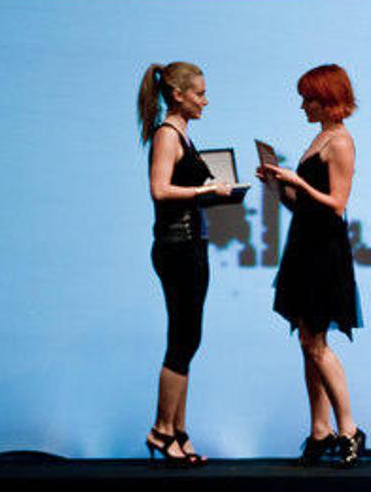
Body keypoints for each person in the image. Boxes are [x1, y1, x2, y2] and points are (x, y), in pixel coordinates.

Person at [258, 64, 365, 467]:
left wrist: (298, 182)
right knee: (307, 343)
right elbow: (302, 206)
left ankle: (349, 430)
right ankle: (320, 431)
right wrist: (278, 186)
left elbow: (337, 204)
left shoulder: (341, 141)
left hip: (324, 250)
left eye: (309, 99)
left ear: (328, 100)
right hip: (304, 244)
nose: (303, 106)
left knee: (317, 344)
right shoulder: (320, 137)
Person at [136, 61, 231, 467]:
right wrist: (203, 192)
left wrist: (216, 190)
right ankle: (161, 430)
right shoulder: (167, 135)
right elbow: (159, 190)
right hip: (176, 248)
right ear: (178, 95)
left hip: (192, 246)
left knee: (188, 338)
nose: (205, 101)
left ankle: (177, 429)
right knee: (182, 338)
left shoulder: (184, 137)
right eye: (199, 94)